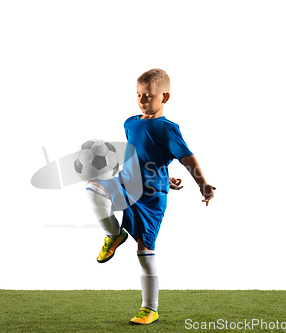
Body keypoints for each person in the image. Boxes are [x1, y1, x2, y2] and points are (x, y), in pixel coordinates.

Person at [85, 68, 216, 325]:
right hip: (125, 183)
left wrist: (202, 184)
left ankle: (149, 308)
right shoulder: (130, 123)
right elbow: (143, 157)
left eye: (148, 95)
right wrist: (164, 174)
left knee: (144, 250)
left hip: (152, 197)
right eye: (139, 95)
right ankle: (114, 235)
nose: (143, 100)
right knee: (94, 189)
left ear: (164, 97)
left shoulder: (168, 129)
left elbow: (186, 157)